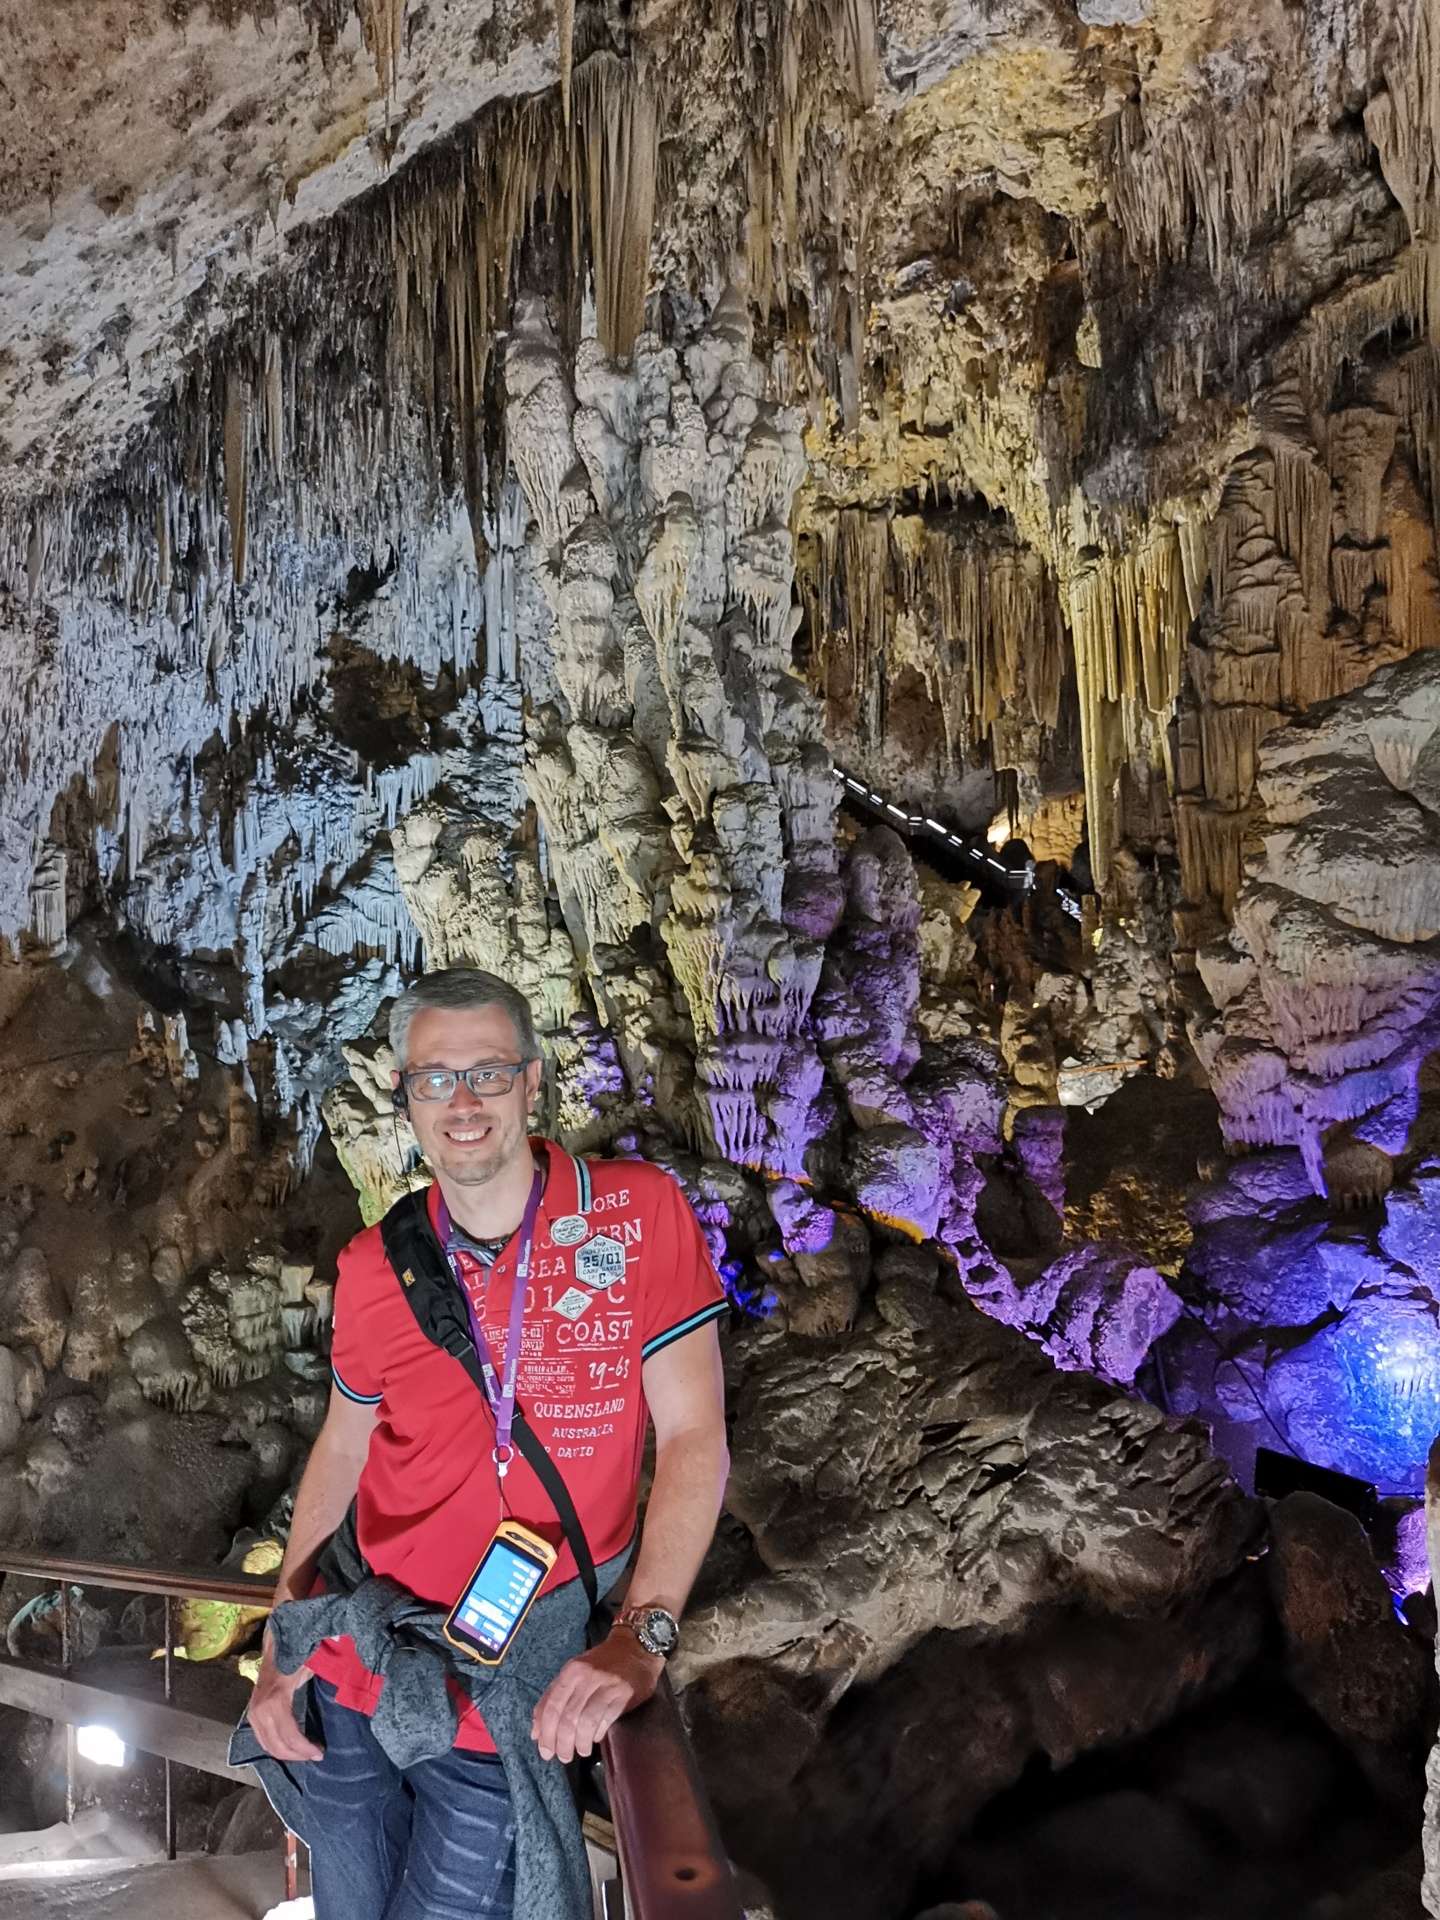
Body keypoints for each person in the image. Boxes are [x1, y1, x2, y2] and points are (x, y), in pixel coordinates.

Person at [245, 968, 730, 1919]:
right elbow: (342, 1452)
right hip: (356, 1662)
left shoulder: (635, 1215)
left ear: (532, 1082)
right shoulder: (373, 1265)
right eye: (435, 1079)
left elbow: (693, 1435)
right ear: (405, 1097)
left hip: (504, 1681)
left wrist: (643, 1633)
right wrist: (281, 1639)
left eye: (488, 1074)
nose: (462, 1103)